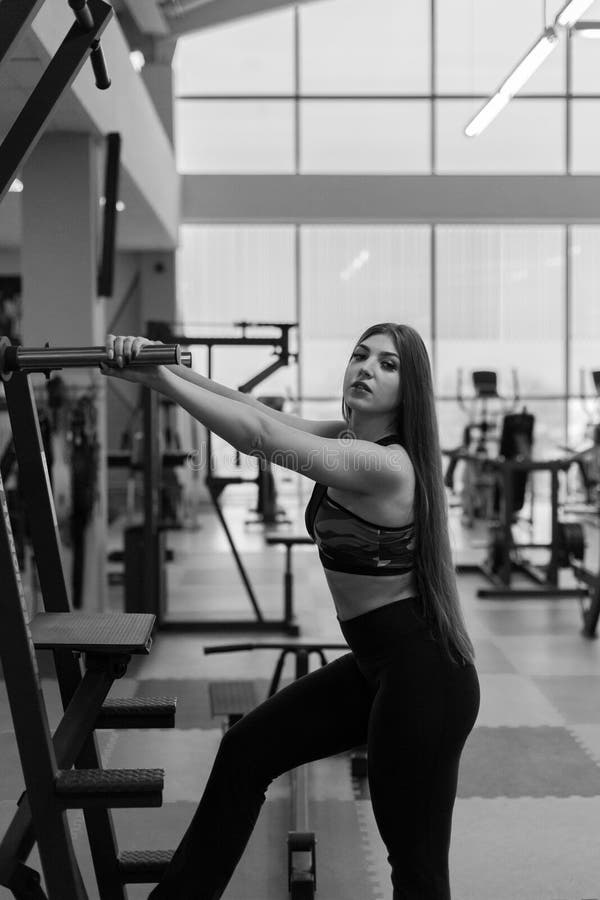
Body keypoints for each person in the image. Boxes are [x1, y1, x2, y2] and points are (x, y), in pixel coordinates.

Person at [101, 322, 480, 900]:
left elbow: (257, 436)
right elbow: (255, 409)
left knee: (416, 868)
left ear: (410, 391)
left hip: (424, 677)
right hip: (377, 666)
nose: (365, 369)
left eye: (387, 364)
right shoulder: (349, 442)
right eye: (360, 356)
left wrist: (158, 378)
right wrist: (161, 373)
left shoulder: (389, 468)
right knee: (246, 751)